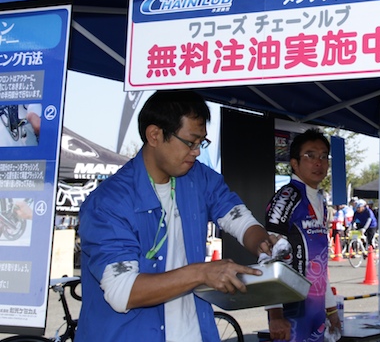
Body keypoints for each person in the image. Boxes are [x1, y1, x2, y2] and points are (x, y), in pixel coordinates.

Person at [77, 90, 277, 342]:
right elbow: (122, 292)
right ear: (155, 135)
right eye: (190, 142)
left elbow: (237, 217)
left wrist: (263, 242)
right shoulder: (109, 203)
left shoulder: (199, 178)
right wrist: (201, 273)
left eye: (201, 143)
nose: (196, 152)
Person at [265, 128, 341, 342]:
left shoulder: (321, 202)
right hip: (291, 312)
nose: (319, 162)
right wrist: (275, 314)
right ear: (294, 163)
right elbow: (267, 256)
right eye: (310, 155)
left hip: (316, 312)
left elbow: (320, 262)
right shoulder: (286, 198)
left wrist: (331, 309)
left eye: (324, 156)